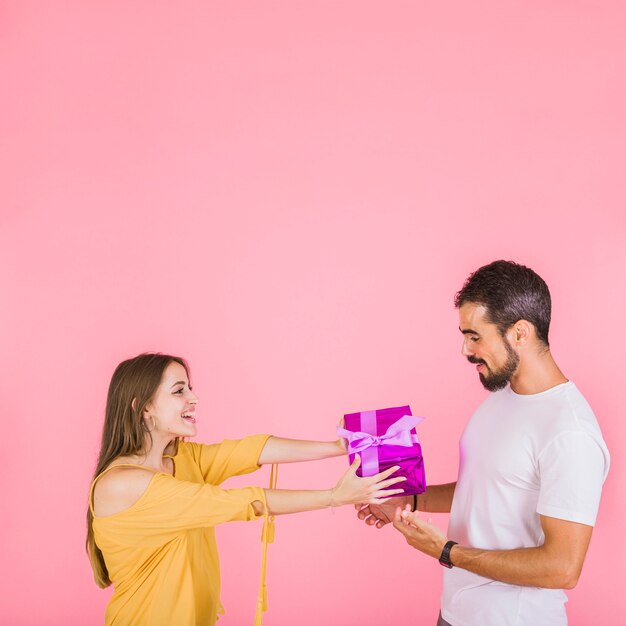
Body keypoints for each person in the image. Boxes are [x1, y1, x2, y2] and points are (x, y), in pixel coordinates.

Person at [356, 260, 610, 626]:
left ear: (520, 333)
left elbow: (562, 568)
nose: (465, 349)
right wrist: (408, 500)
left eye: (475, 336)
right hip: (456, 613)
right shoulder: (503, 397)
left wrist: (445, 551)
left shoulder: (570, 432)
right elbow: (488, 488)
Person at [87, 353, 405, 626]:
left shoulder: (182, 459)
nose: (193, 399)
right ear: (144, 408)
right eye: (179, 391)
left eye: (190, 389)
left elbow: (252, 450)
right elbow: (239, 502)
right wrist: (334, 496)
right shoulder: (122, 483)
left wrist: (337, 446)